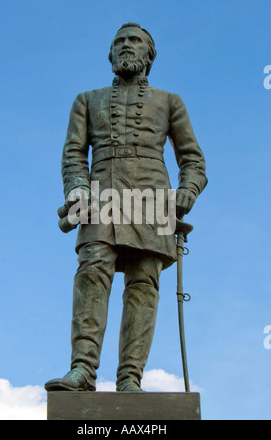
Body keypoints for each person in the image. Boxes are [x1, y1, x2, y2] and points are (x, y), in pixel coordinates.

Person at [45, 23, 207, 393]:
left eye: (134, 42)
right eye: (119, 42)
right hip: (100, 196)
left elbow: (193, 160)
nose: (125, 46)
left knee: (143, 284)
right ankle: (82, 370)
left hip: (153, 199)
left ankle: (130, 378)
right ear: (110, 55)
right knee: (92, 271)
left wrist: (187, 192)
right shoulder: (86, 100)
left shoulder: (170, 101)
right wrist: (77, 191)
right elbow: (73, 156)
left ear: (149, 56)